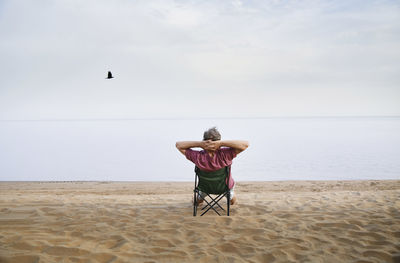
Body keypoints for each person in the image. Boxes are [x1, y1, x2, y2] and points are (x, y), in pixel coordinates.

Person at [176, 127, 249, 205]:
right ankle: (231, 197)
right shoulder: (226, 154)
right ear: (218, 141)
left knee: (197, 201)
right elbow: (245, 144)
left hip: (205, 188)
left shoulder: (197, 156)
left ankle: (199, 199)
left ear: (204, 141)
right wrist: (221, 143)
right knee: (232, 200)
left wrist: (200, 144)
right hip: (225, 187)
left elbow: (178, 145)